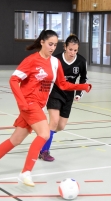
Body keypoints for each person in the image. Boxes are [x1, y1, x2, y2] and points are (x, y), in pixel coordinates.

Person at [0, 30, 92, 187]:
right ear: (42, 42)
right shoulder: (31, 60)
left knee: (15, 140)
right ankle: (26, 172)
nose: (52, 48)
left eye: (55, 45)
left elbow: (63, 84)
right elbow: (13, 80)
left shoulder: (54, 63)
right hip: (29, 104)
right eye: (50, 44)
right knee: (44, 133)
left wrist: (82, 86)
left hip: (38, 105)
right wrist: (22, 103)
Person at [39, 34, 88, 162]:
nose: (72, 53)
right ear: (65, 47)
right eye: (70, 49)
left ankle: (43, 137)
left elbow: (83, 78)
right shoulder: (55, 60)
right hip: (55, 92)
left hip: (69, 94)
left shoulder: (81, 61)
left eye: (75, 50)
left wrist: (79, 93)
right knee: (54, 121)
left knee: (60, 126)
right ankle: (44, 151)